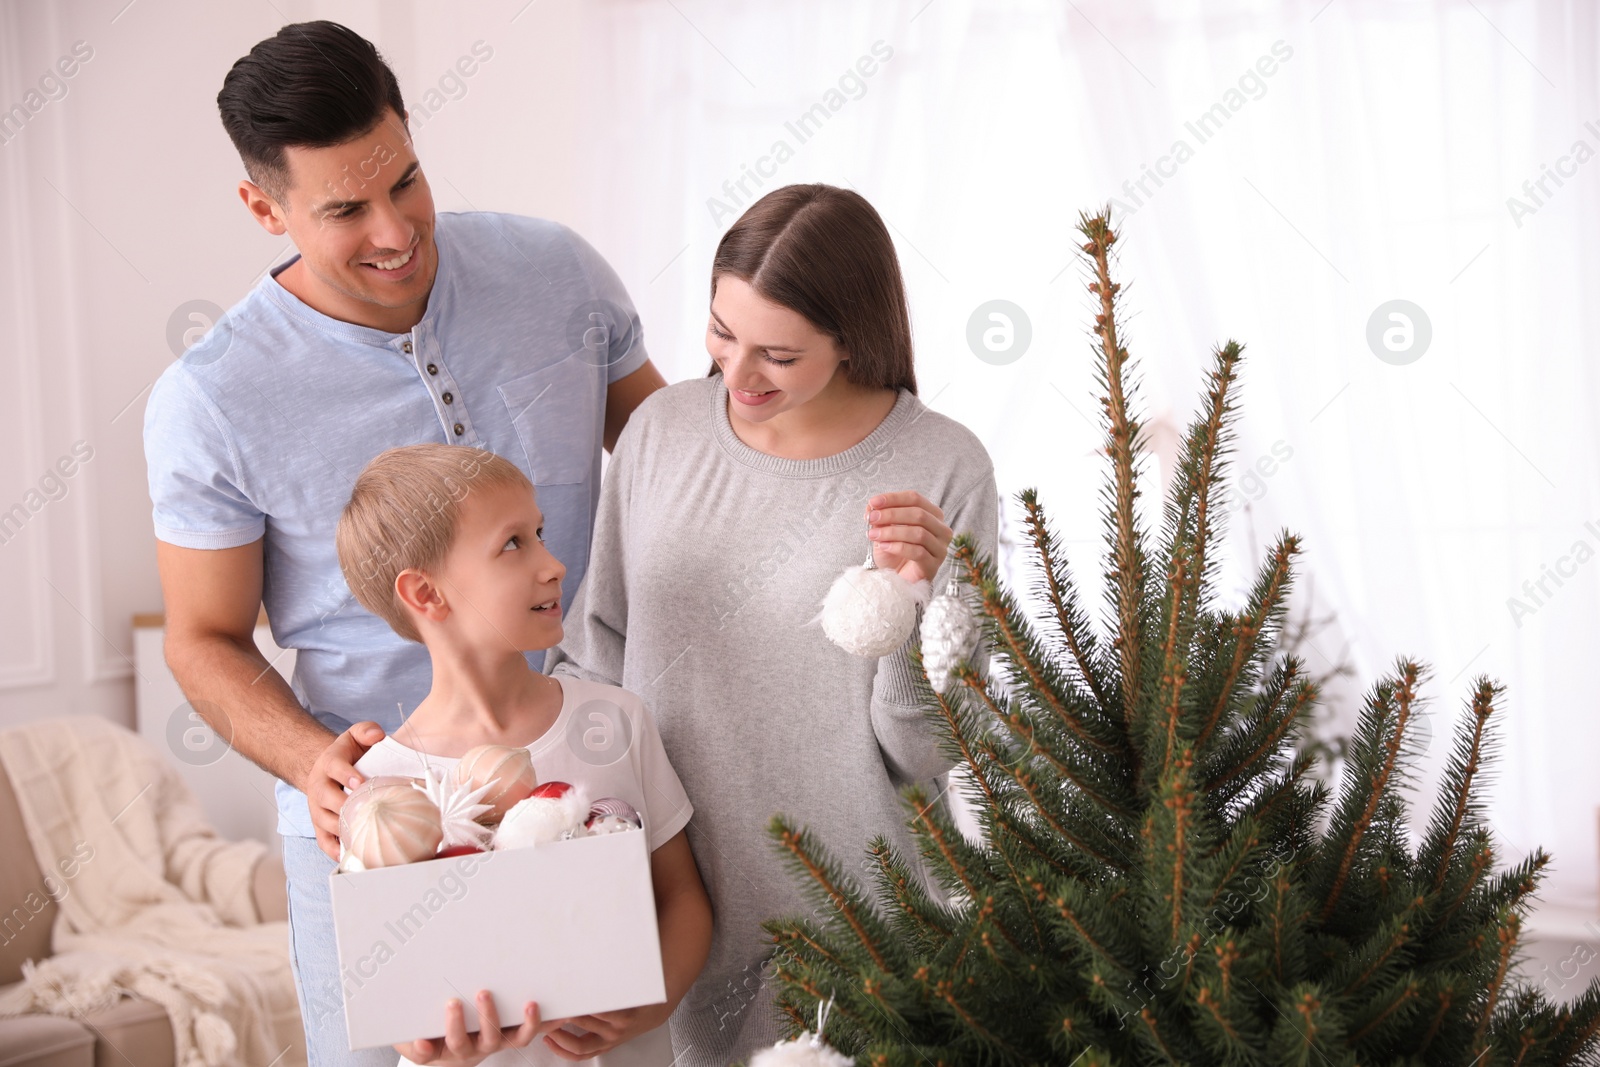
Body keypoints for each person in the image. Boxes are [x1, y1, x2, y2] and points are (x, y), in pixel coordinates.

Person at [143, 21, 664, 1065]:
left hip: (589, 776)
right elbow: (202, 636)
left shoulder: (555, 271)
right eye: (343, 209)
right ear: (265, 208)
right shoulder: (211, 399)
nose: (395, 231)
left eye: (406, 181)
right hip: (379, 828)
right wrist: (318, 768)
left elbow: (671, 468)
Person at [547, 183, 1000, 1065]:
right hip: (666, 913)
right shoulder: (660, 433)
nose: (737, 374)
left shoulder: (942, 466)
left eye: (778, 355)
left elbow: (934, 751)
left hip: (857, 932)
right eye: (722, 331)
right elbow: (593, 661)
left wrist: (913, 610)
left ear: (851, 337)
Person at [330, 444, 712, 1066]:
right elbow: (396, 1000)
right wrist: (441, 1049)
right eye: (513, 544)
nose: (554, 564)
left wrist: (653, 1003)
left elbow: (683, 900)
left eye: (540, 533)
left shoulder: (615, 720)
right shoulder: (379, 789)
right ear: (426, 594)